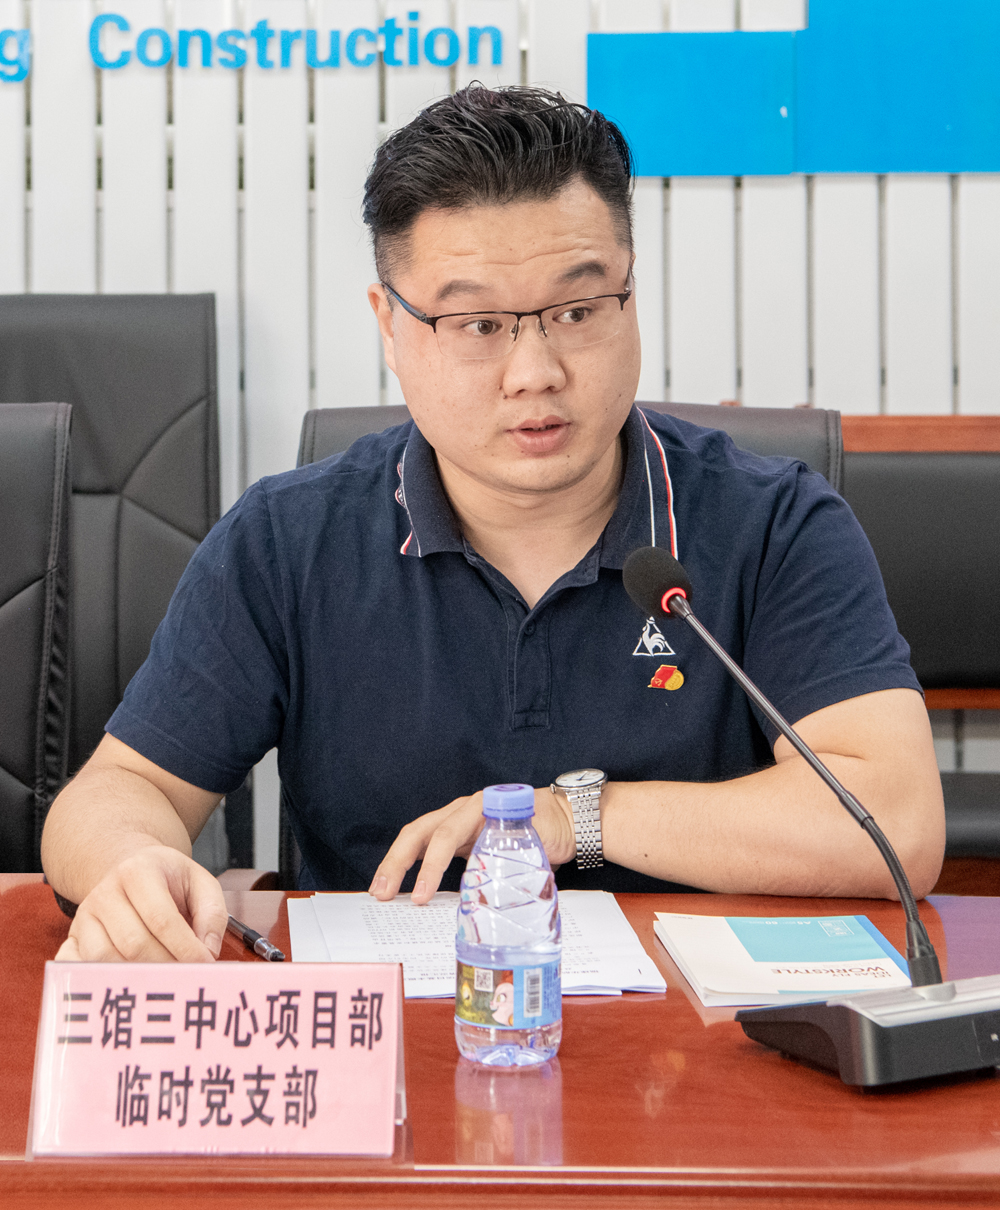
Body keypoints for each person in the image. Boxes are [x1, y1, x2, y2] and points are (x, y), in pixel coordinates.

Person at [42, 86, 944, 963]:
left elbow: (894, 826)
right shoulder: (287, 542)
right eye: (478, 324)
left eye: (577, 311)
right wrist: (130, 866)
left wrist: (572, 818)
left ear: (631, 299)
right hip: (391, 1036)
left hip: (702, 1037)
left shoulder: (775, 523)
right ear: (390, 326)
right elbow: (122, 788)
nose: (535, 372)